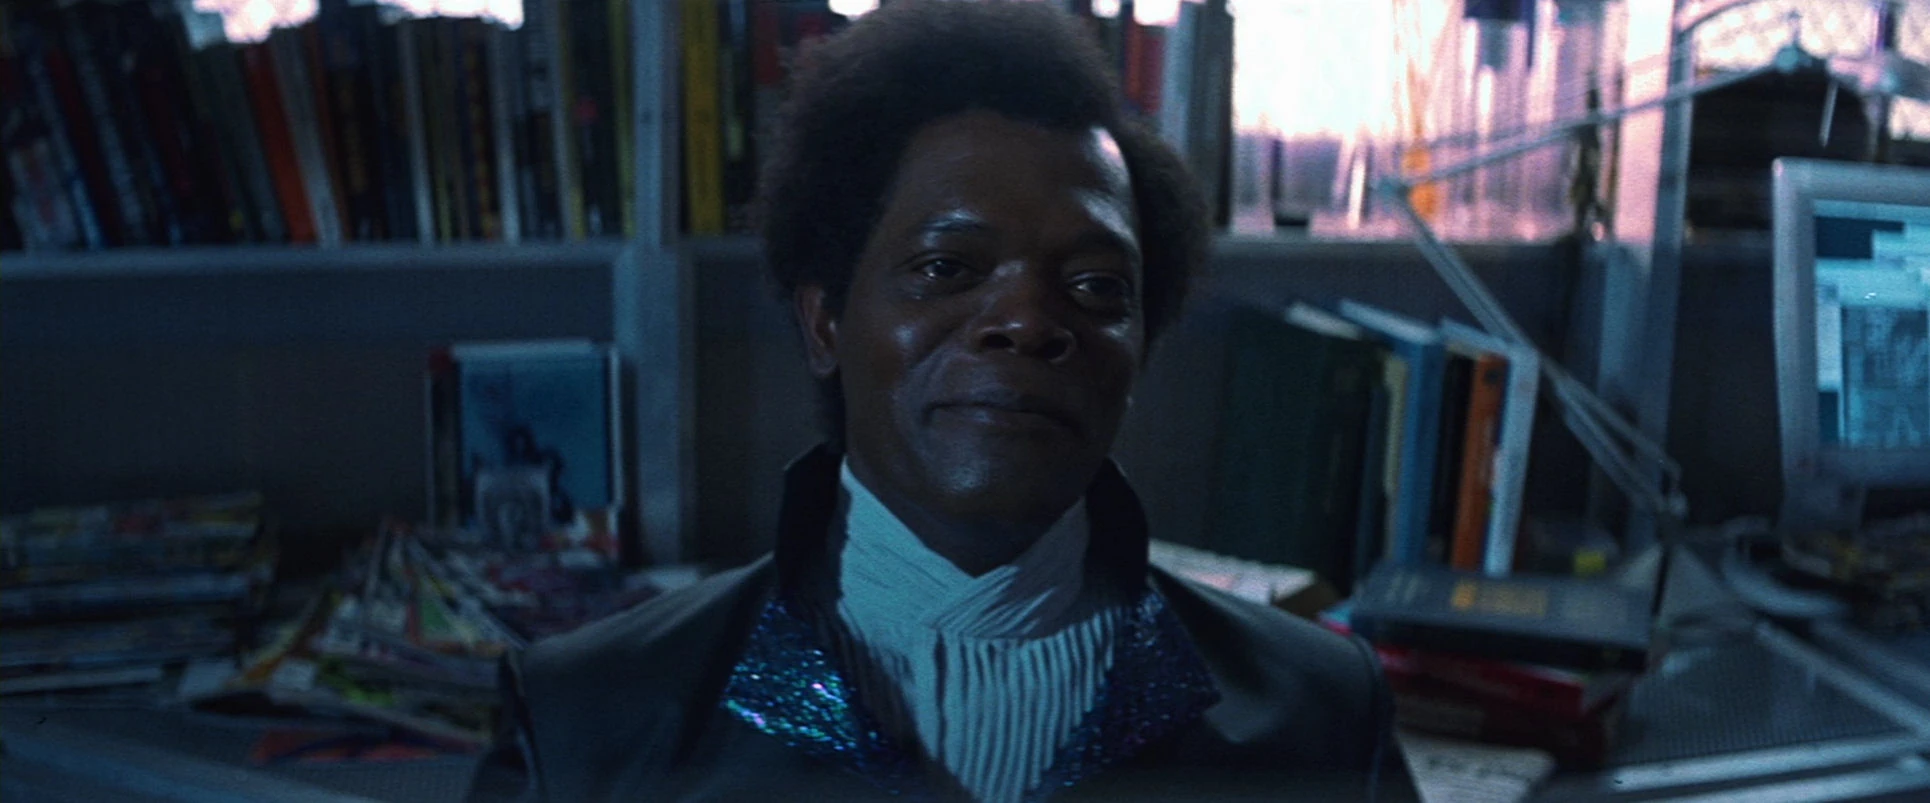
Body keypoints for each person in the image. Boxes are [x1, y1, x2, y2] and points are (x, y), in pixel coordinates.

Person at [467, 2, 1415, 801]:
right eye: (946, 267)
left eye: (1094, 286)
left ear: (1139, 350)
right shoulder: (590, 722)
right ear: (825, 323)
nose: (1027, 321)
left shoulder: (1321, 718)